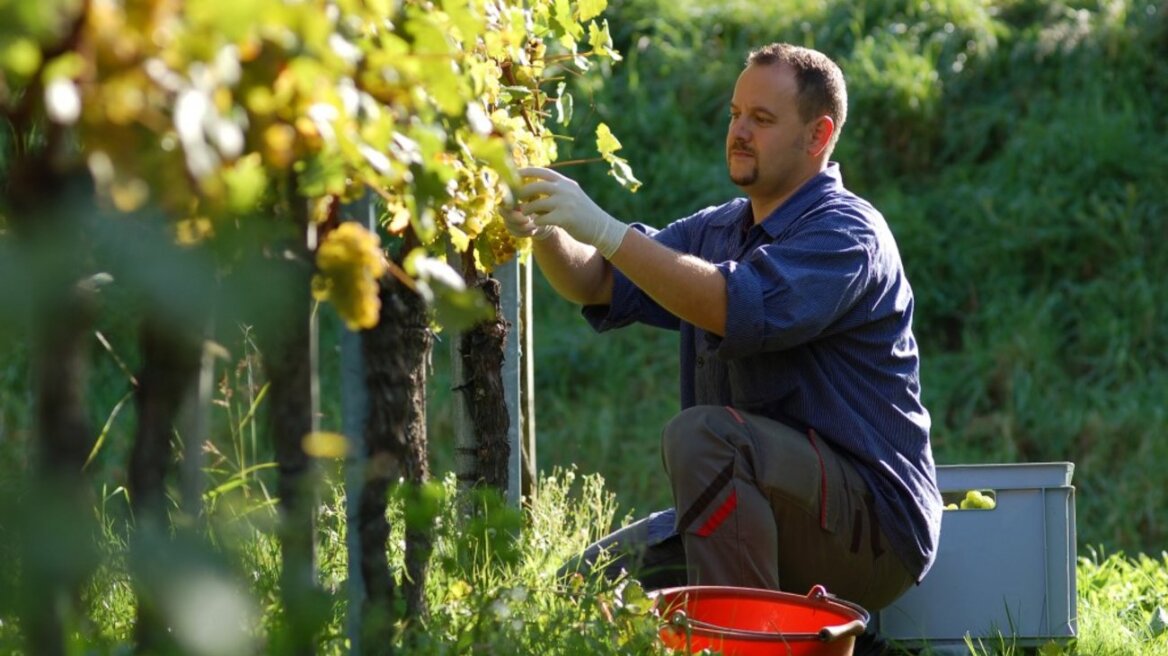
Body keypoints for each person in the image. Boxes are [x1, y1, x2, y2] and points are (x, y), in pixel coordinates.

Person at [505, 42, 941, 611]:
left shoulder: (848, 234)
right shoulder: (720, 229)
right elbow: (596, 283)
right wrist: (545, 224)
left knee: (705, 436)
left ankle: (751, 641)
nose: (739, 131)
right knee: (578, 594)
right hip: (760, 497)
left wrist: (608, 229)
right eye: (735, 114)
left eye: (762, 119)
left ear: (818, 135)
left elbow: (732, 306)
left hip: (873, 531)